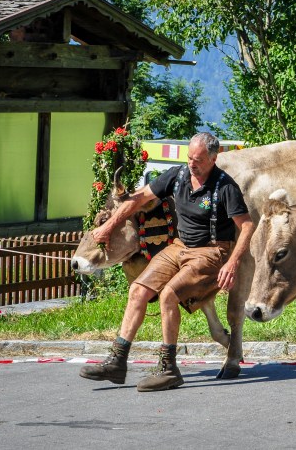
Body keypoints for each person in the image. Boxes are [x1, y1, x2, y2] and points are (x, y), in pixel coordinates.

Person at [79, 132, 254, 391]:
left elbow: (247, 226)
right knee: (138, 290)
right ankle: (117, 362)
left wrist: (232, 263)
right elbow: (139, 199)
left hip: (212, 252)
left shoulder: (225, 187)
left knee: (168, 295)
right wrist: (109, 227)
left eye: (199, 159)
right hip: (179, 247)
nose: (192, 164)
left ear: (214, 159)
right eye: (190, 158)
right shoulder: (178, 175)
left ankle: (169, 369)